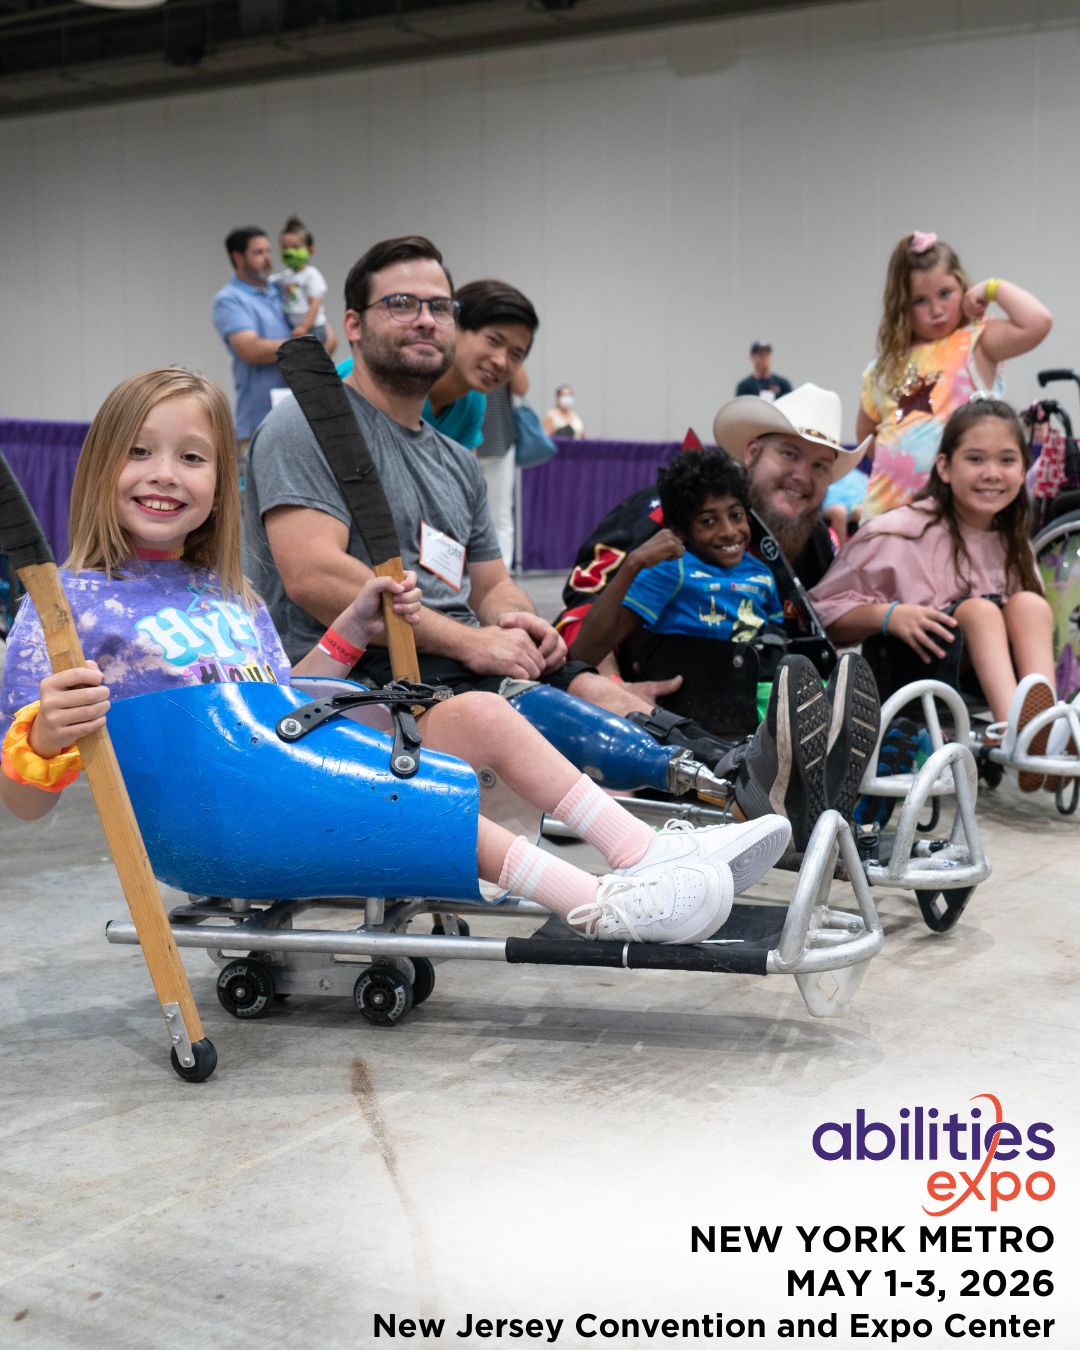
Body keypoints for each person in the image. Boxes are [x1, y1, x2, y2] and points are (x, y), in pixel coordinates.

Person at [0, 367, 800, 946]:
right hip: (210, 830)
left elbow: (286, 709)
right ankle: (594, 905)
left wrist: (351, 628)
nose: (164, 476)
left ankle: (643, 854)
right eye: (139, 453)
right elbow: (22, 805)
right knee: (402, 778)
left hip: (277, 777)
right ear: (99, 466)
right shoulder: (66, 608)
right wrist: (43, 742)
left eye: (192, 458)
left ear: (220, 481)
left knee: (481, 714)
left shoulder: (232, 599)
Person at [244, 236, 861, 850]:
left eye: (441, 307)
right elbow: (314, 576)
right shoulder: (308, 424)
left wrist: (516, 621)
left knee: (584, 681)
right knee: (525, 693)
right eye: (402, 303)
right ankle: (735, 790)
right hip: (359, 675)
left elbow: (490, 582)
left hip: (445, 662)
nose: (426, 319)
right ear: (353, 324)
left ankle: (744, 770)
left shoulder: (457, 461)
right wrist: (472, 642)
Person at [809, 398, 1071, 792]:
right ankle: (1020, 734)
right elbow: (821, 613)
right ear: (945, 467)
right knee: (980, 611)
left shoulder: (1014, 541)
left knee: (1030, 603)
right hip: (916, 672)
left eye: (1006, 460)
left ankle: (1042, 728)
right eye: (976, 459)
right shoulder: (897, 531)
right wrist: (888, 615)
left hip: (976, 680)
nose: (992, 474)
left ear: (1022, 470)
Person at [856, 230, 1052, 522]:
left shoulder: (976, 342)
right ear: (902, 308)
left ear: (962, 287)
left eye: (945, 294)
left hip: (959, 516)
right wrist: (904, 462)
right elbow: (865, 435)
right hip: (888, 510)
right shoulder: (882, 366)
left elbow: (1038, 322)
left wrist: (992, 289)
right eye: (920, 301)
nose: (936, 310)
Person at [571, 450, 783, 675]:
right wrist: (632, 564)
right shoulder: (670, 570)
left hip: (753, 697)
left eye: (736, 515)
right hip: (685, 702)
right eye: (708, 521)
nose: (729, 532)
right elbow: (584, 654)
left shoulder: (762, 573)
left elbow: (776, 640)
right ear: (680, 531)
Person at [211, 226, 292, 448]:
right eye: (258, 253)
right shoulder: (230, 299)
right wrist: (301, 347)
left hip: (298, 412)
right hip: (260, 417)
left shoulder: (282, 291)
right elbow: (251, 349)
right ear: (237, 257)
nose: (267, 258)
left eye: (268, 251)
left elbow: (327, 340)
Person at [272, 215, 336, 353]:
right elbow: (268, 282)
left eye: (295, 247)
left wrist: (304, 327)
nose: (289, 251)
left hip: (313, 329)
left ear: (310, 249)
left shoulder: (311, 275)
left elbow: (315, 304)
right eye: (284, 247)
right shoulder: (285, 276)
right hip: (295, 329)